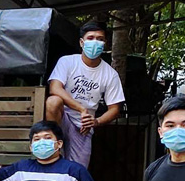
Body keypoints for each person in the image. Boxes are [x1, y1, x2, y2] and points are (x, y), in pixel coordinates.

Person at [45, 20, 126, 166]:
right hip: (62, 117)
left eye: (100, 39)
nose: (95, 42)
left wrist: (96, 121)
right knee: (53, 101)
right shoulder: (67, 62)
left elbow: (114, 109)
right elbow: (54, 88)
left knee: (78, 171)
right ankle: (54, 142)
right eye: (90, 38)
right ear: (82, 42)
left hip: (84, 126)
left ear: (105, 44)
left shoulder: (110, 74)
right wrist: (81, 109)